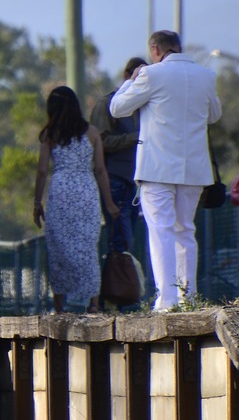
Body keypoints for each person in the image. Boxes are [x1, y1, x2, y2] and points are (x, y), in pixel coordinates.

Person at [110, 30, 222, 311]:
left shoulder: (152, 74)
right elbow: (215, 115)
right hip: (194, 168)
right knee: (185, 230)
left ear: (155, 50)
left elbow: (117, 108)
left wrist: (131, 82)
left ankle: (167, 298)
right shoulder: (205, 75)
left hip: (157, 168)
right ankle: (190, 296)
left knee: (160, 230)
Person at [33, 85, 121, 313]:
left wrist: (36, 203)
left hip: (60, 192)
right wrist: (109, 203)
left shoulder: (49, 135)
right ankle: (93, 302)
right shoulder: (92, 133)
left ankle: (59, 305)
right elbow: (100, 170)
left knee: (58, 247)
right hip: (86, 191)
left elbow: (42, 171)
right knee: (88, 245)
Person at [90, 57, 146, 261]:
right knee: (119, 241)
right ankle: (116, 289)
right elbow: (99, 142)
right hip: (114, 179)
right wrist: (134, 138)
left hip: (134, 182)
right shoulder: (106, 104)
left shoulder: (144, 108)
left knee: (128, 241)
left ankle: (124, 288)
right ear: (127, 76)